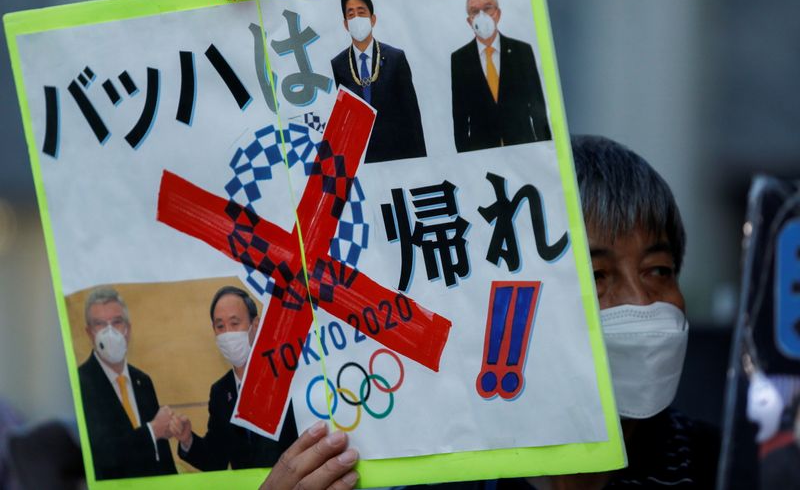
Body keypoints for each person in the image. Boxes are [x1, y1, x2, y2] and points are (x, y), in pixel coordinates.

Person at [260, 135, 720, 489]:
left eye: (659, 270)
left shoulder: (724, 465)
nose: (641, 302)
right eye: (597, 275)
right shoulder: (436, 476)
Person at [170, 286, 298, 471]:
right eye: (220, 326)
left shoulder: (288, 377)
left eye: (235, 323)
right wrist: (187, 439)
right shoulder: (221, 392)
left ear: (255, 326)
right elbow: (215, 461)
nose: (228, 333)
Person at [77, 287, 176, 480]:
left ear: (128, 329)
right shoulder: (81, 383)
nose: (110, 331)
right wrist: (152, 430)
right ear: (89, 333)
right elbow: (101, 455)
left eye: (116, 322)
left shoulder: (143, 381)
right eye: (100, 324)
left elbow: (163, 457)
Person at [330, 0, 427, 163]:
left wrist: (420, 160)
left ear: (372, 19)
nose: (356, 18)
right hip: (361, 161)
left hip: (399, 155)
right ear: (345, 24)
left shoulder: (395, 58)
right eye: (351, 15)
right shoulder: (338, 65)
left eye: (361, 12)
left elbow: (412, 116)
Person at [451, 0, 551, 153]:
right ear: (469, 20)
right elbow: (459, 116)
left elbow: (537, 105)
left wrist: (546, 149)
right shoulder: (460, 59)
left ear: (498, 13)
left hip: (523, 145)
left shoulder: (522, 51)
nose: (481, 15)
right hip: (482, 150)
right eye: (475, 11)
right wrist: (464, 158)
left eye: (487, 8)